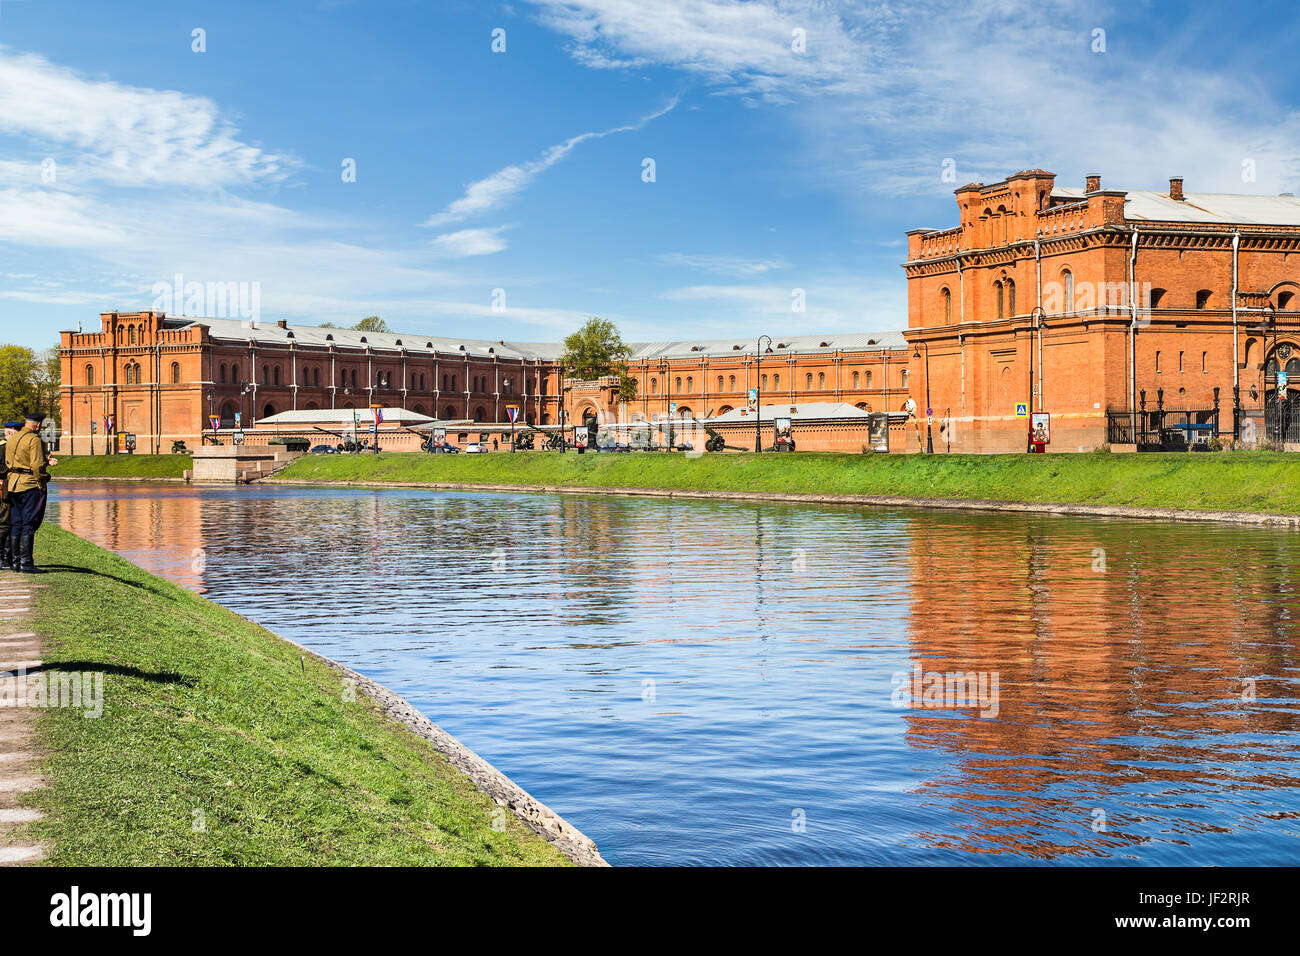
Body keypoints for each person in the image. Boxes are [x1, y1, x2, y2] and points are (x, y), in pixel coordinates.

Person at [5, 411, 57, 574]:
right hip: (29, 485)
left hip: (13, 484)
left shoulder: (13, 438)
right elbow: (36, 466)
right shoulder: (34, 440)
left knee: (16, 522)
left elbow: (8, 462)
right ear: (37, 425)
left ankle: (16, 562)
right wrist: (43, 479)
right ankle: (26, 562)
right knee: (29, 522)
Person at [0, 420, 17, 571]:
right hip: (4, 488)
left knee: (12, 522)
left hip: (15, 488)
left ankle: (10, 556)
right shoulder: (3, 448)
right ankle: (2, 558)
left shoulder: (14, 447)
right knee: (4, 523)